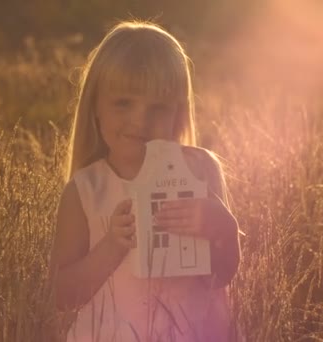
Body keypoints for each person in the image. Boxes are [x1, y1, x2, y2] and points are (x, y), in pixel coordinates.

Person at [49, 20, 241, 341]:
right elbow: (61, 295)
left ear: (177, 113)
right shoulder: (85, 191)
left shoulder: (199, 170)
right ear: (96, 106)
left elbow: (220, 277)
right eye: (124, 103)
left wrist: (222, 227)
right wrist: (110, 248)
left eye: (158, 108)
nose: (140, 120)